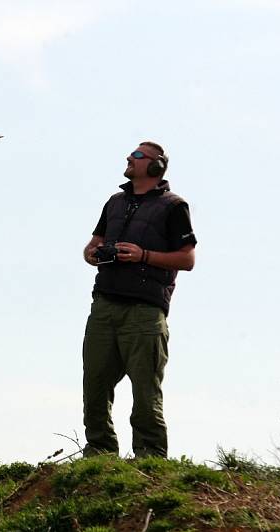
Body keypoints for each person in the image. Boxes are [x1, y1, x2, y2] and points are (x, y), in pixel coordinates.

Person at [81, 142, 196, 458]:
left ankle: (150, 457)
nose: (129, 159)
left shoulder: (174, 207)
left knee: (145, 393)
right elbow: (94, 244)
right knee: (94, 386)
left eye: (136, 156)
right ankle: (100, 453)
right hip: (104, 305)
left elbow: (187, 260)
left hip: (146, 312)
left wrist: (142, 255)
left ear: (156, 166)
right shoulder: (115, 202)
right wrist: (92, 254)